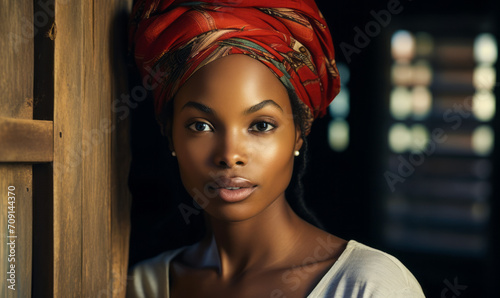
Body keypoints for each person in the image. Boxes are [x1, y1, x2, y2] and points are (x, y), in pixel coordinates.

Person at [127, 0, 425, 297]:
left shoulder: (369, 286)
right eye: (201, 126)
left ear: (299, 134)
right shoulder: (146, 285)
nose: (230, 155)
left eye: (261, 126)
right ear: (170, 137)